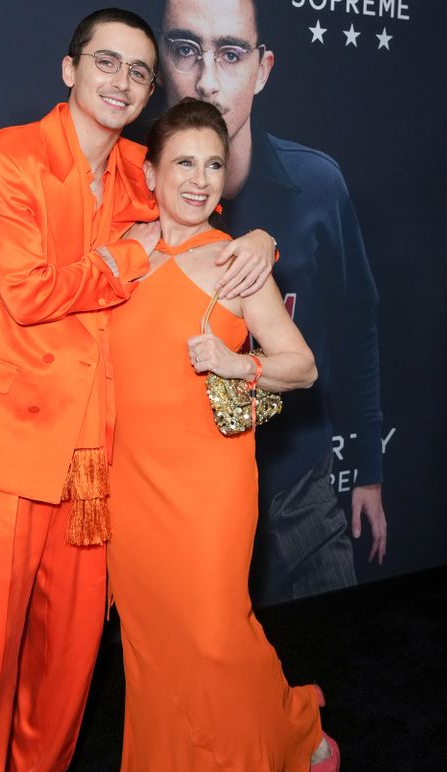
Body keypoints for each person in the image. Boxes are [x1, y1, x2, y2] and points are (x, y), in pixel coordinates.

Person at [0, 7, 275, 772]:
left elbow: (199, 213)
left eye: (139, 72)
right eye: (106, 63)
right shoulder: (8, 158)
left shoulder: (134, 166)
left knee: (75, 642)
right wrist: (121, 258)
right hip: (3, 436)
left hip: (97, 452)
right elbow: (32, 290)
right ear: (71, 66)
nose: (123, 82)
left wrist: (259, 248)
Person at [105, 97, 339, 772]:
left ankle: (302, 735)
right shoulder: (122, 252)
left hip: (209, 481)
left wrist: (236, 362)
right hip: (128, 481)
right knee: (149, 638)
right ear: (150, 171)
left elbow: (300, 367)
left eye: (213, 164)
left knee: (212, 632)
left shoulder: (235, 258)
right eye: (184, 163)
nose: (200, 179)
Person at [157, 0, 387, 605]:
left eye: (231, 54)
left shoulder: (317, 186)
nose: (207, 79)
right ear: (162, 59)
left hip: (297, 486)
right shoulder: (130, 190)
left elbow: (357, 327)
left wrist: (369, 470)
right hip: (180, 495)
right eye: (185, 50)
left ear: (262, 69)